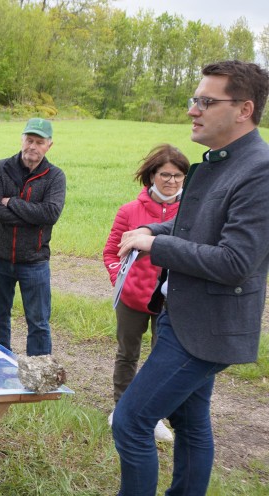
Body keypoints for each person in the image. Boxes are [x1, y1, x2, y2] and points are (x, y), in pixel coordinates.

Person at [74, 60, 269, 496]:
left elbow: (234, 261)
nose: (193, 109)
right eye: (195, 99)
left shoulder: (258, 172)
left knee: (132, 420)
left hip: (204, 327)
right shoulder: (224, 160)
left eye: (206, 101)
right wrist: (154, 232)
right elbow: (194, 227)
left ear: (244, 110)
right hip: (185, 317)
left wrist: (154, 245)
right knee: (193, 421)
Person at [103, 144, 190, 443]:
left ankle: (154, 416)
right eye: (165, 174)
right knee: (127, 354)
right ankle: (121, 406)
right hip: (133, 298)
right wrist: (120, 279)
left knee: (162, 358)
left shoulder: (191, 212)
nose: (172, 181)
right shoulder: (130, 210)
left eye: (179, 176)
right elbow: (111, 251)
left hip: (173, 300)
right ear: (152, 175)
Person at [0, 118, 66, 356]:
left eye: (39, 142)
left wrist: (12, 202)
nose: (33, 146)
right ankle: (2, 364)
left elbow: (50, 213)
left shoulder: (55, 176)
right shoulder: (0, 168)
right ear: (22, 140)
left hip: (35, 261)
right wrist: (32, 216)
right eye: (29, 140)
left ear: (48, 146)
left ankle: (39, 373)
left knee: (39, 322)